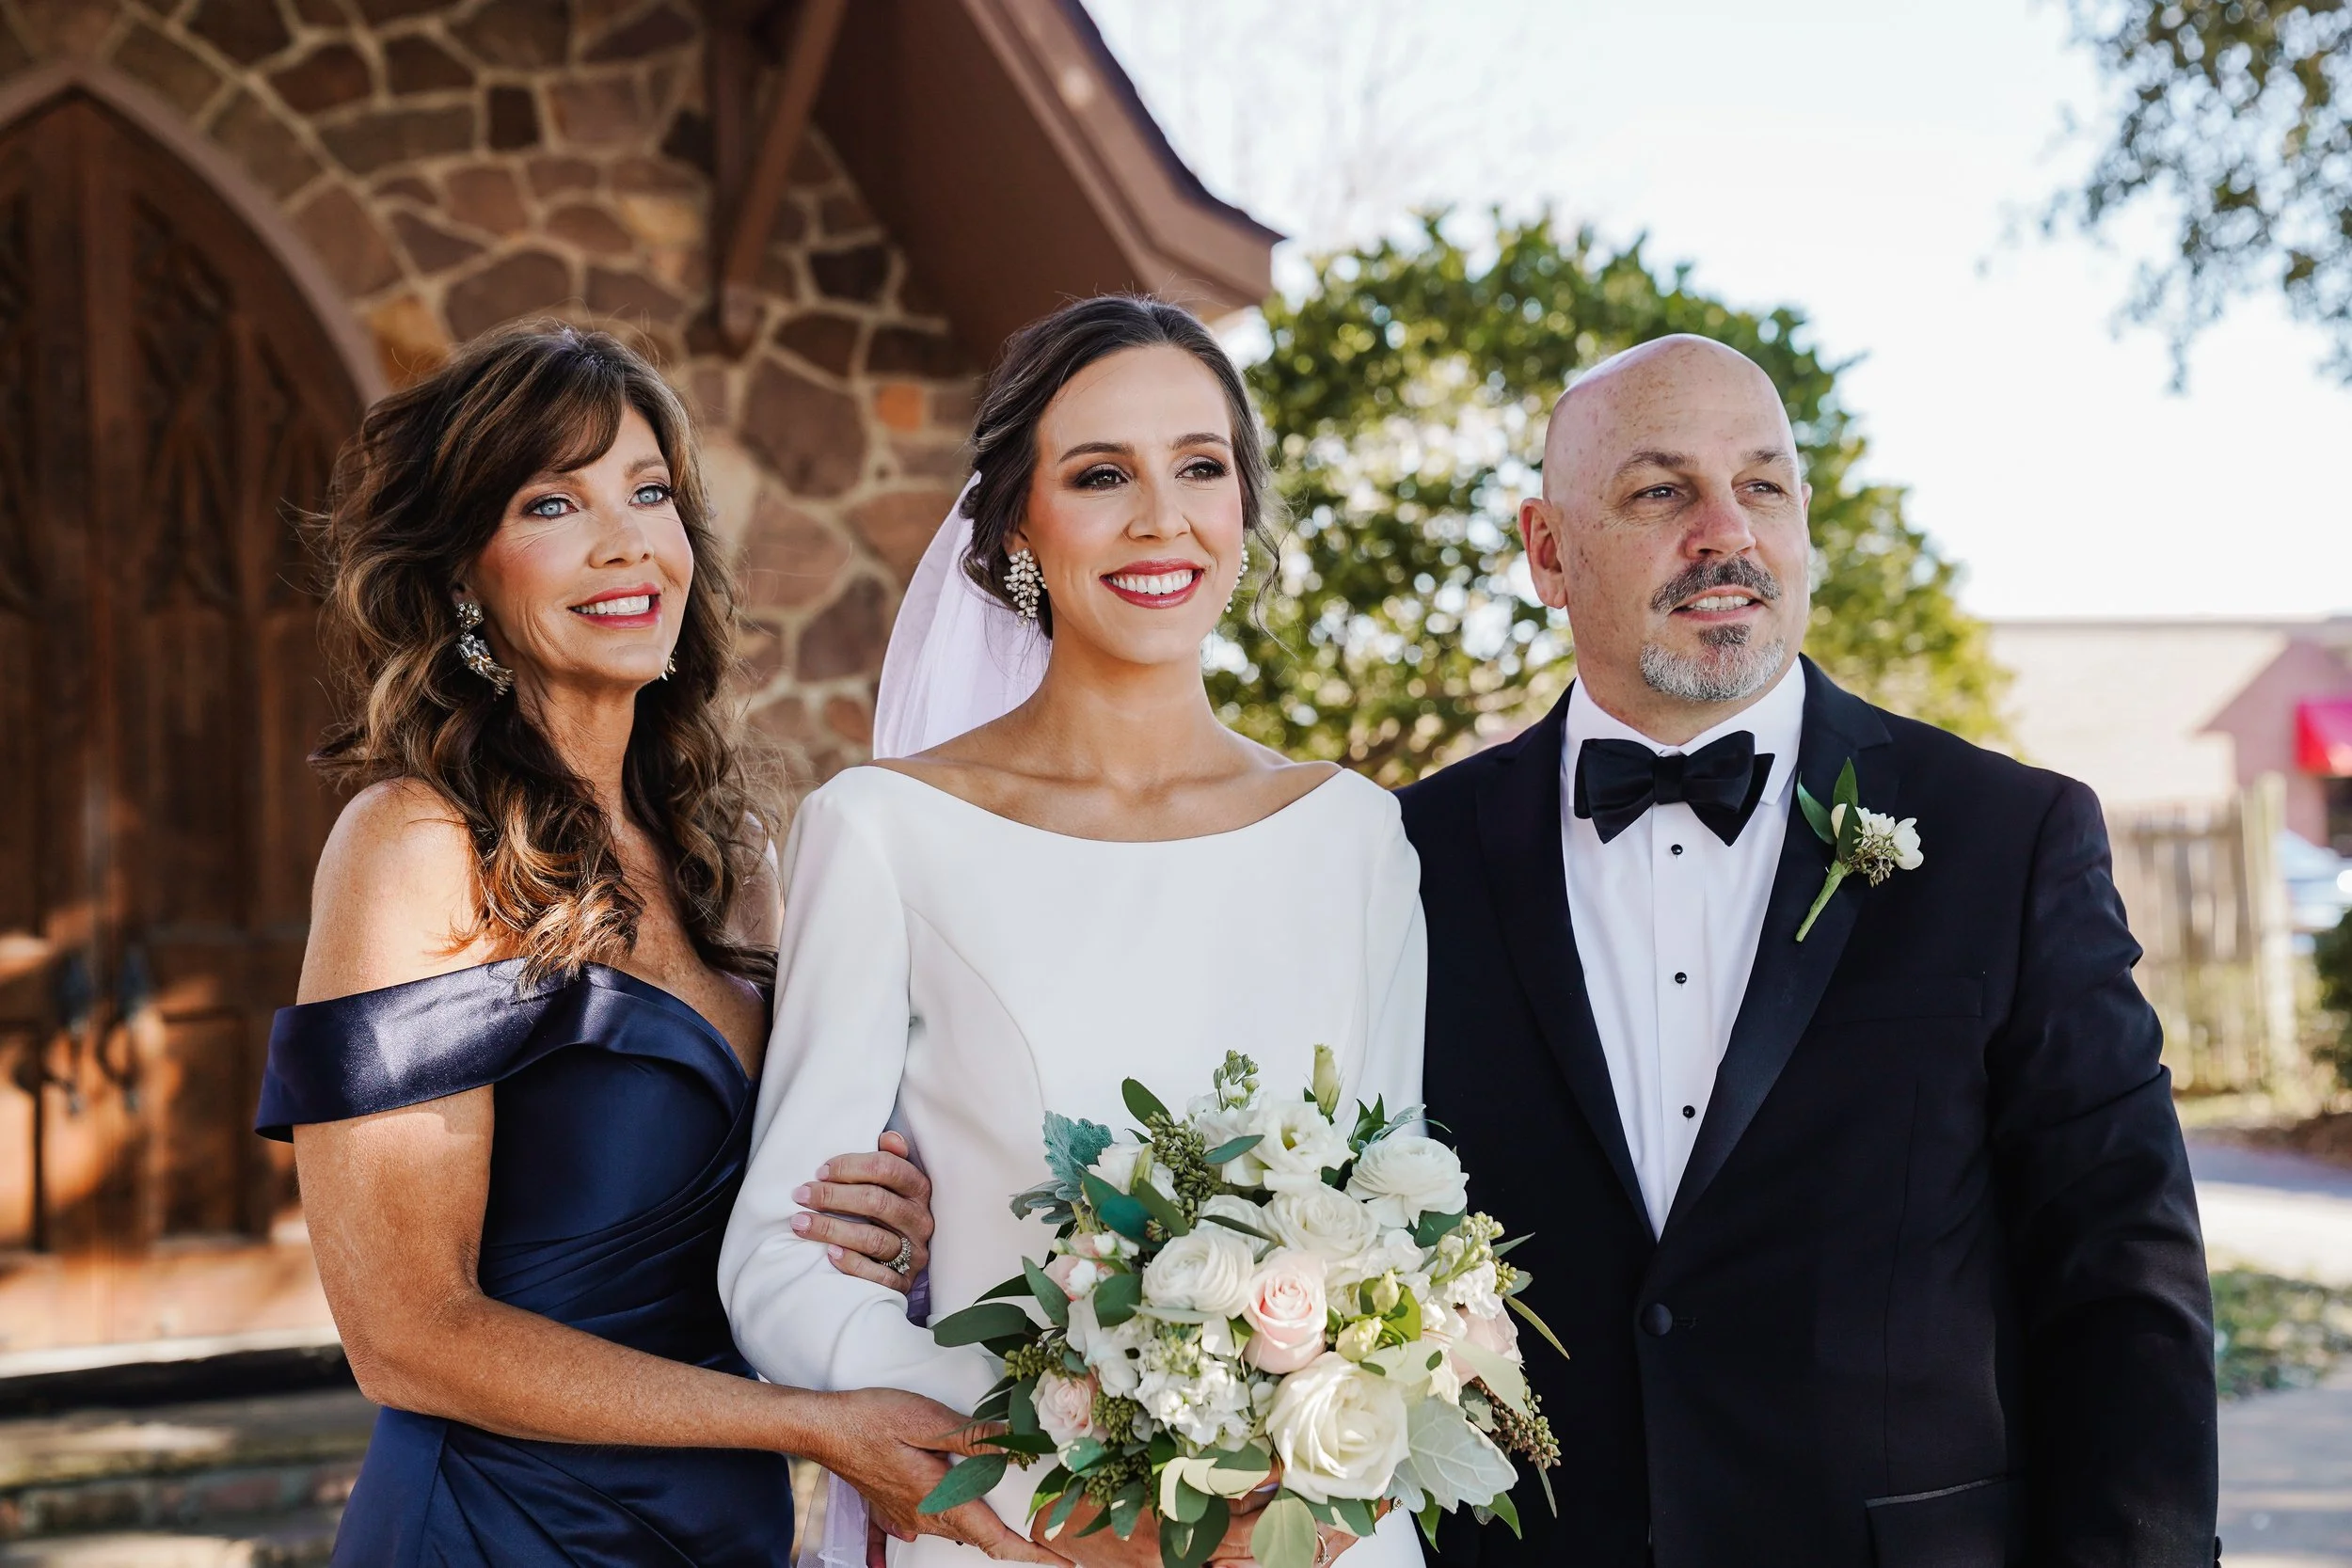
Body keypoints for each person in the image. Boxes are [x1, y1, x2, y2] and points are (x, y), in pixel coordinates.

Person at [1397, 335, 2218, 1565]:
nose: (1726, 531)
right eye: (1661, 489)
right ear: (1548, 551)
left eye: (1765, 485)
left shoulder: (2010, 838)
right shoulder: (1409, 857)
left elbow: (2122, 1277)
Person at [254, 323, 1051, 1567]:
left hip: (720, 1529)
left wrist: (880, 1231)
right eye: (554, 501)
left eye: (651, 493)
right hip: (490, 1528)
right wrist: (804, 1422)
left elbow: (775, 1226)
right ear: (467, 572)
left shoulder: (734, 866)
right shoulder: (414, 845)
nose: (626, 539)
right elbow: (407, 1331)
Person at [719, 295, 1428, 1567]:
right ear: (1018, 526)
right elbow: (782, 1252)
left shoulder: (1353, 838)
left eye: (1200, 467)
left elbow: (1397, 1217)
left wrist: (1321, 1455)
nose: (1162, 518)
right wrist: (1033, 1462)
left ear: (1242, 511)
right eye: (1102, 475)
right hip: (1031, 1534)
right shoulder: (886, 829)